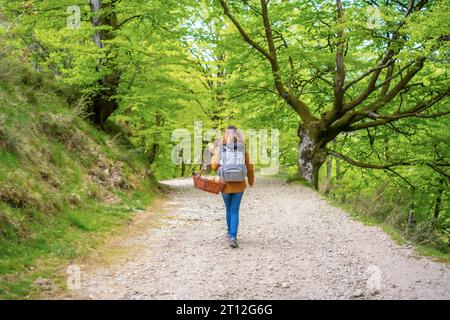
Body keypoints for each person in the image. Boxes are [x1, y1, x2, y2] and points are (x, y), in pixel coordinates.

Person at [211, 126, 254, 248]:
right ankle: (233, 236)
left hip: (225, 185)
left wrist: (215, 154)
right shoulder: (242, 150)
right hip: (239, 185)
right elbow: (250, 167)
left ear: (225, 135)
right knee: (235, 210)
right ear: (239, 135)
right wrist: (251, 181)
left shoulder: (221, 149)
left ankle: (230, 232)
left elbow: (214, 166)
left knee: (228, 209)